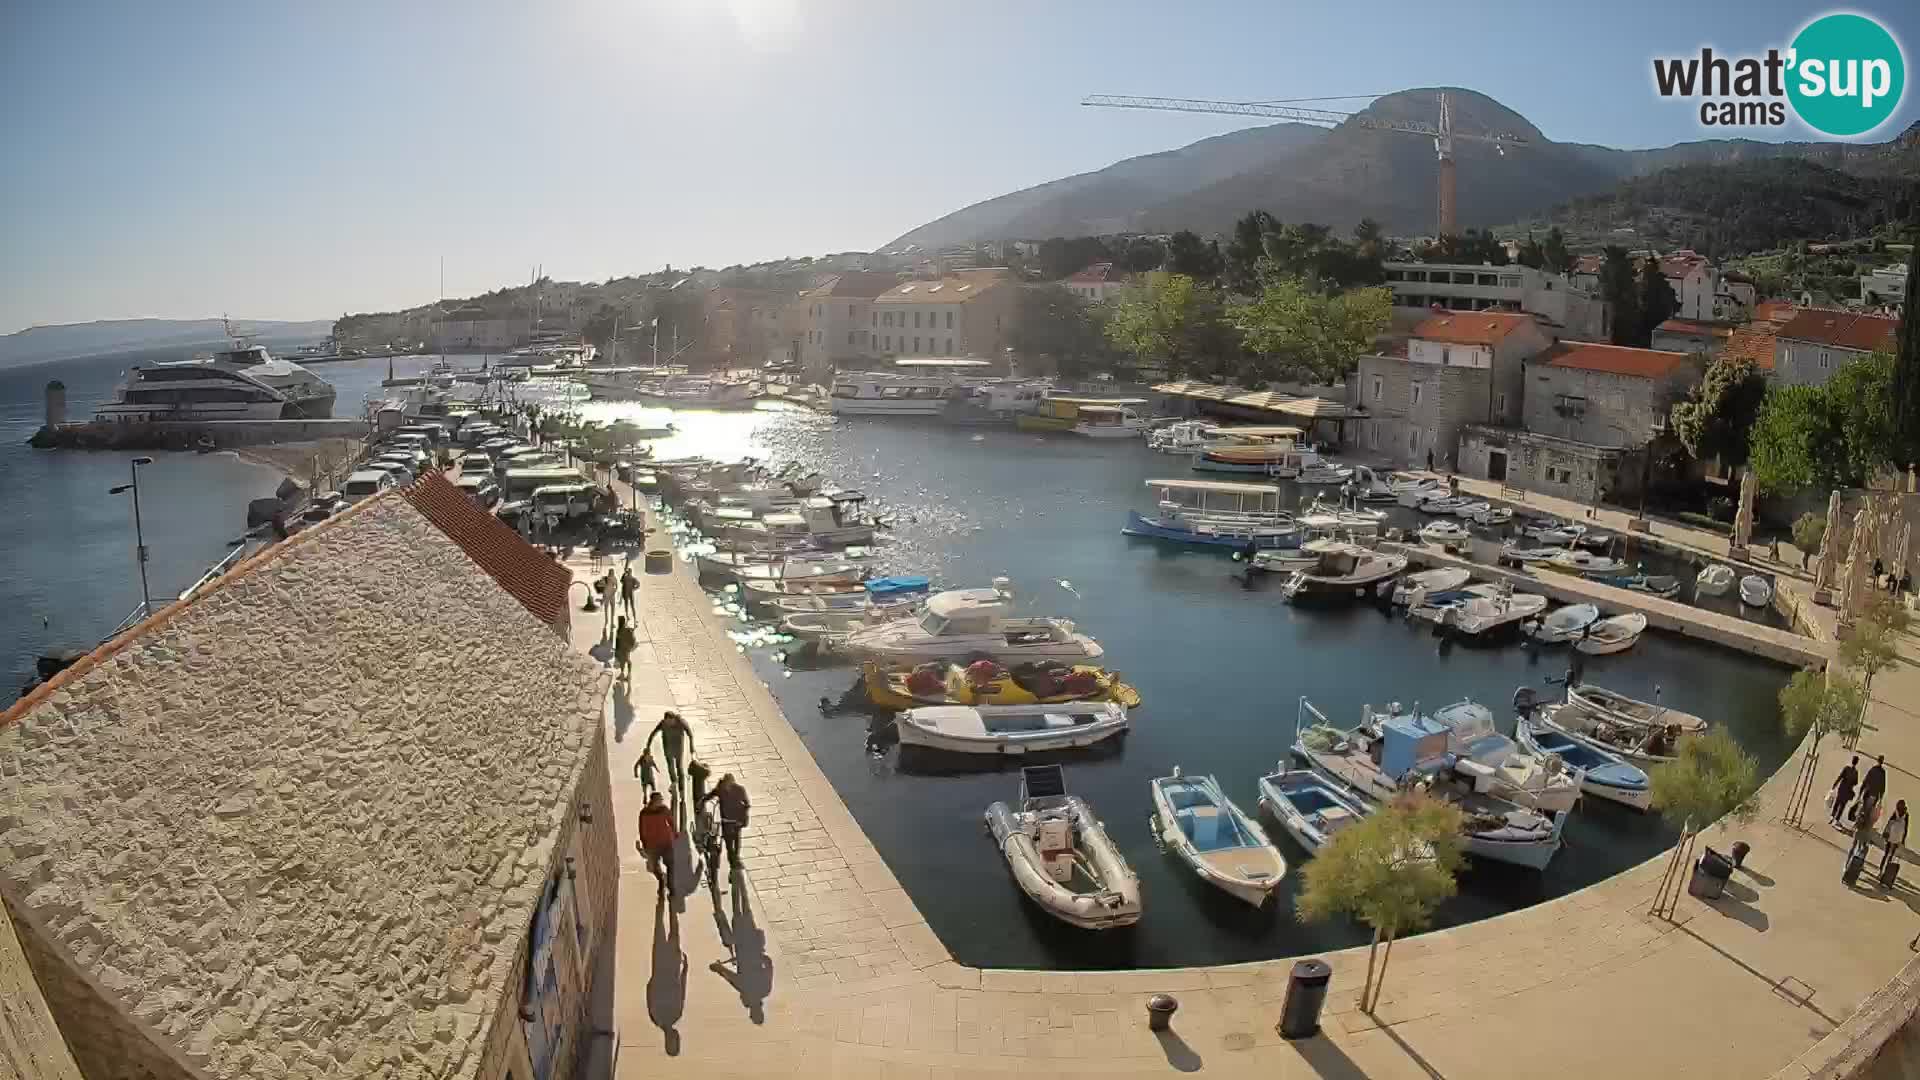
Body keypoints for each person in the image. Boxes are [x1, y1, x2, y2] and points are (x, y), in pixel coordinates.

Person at [702, 773, 751, 869]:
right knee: (731, 843)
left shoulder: (733, 789)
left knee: (734, 841)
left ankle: (734, 861)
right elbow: (747, 804)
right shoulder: (725, 789)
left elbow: (747, 804)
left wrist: (703, 800)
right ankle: (734, 861)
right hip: (729, 821)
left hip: (734, 821)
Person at [647, 711, 695, 797]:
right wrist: (648, 746)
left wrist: (692, 747)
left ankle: (681, 789)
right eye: (666, 721)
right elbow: (653, 734)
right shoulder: (663, 724)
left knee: (679, 767)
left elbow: (690, 734)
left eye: (669, 721)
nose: (668, 723)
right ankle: (673, 782)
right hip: (667, 747)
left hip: (678, 748)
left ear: (673, 719)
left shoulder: (681, 722)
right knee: (670, 766)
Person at [637, 792, 677, 895]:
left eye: (661, 800)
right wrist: (644, 843)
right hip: (652, 844)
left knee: (670, 865)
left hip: (666, 842)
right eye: (659, 800)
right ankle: (661, 881)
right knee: (654, 867)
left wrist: (675, 833)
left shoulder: (664, 810)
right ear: (653, 801)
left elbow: (671, 822)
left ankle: (671, 887)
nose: (661, 802)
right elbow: (642, 829)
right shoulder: (644, 813)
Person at [1832, 756, 1861, 827]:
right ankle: (1836, 820)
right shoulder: (1856, 772)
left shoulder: (1846, 768)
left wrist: (1834, 785)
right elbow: (1856, 783)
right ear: (1857, 763)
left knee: (1837, 802)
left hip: (1841, 788)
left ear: (1852, 761)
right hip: (1848, 791)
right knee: (1842, 806)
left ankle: (1832, 816)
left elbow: (1840, 777)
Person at [1883, 800, 1910, 877]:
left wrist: (1885, 833)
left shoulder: (1898, 813)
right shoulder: (1904, 814)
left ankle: (1884, 870)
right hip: (1897, 837)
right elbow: (1905, 828)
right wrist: (1903, 840)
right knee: (1889, 855)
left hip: (1894, 836)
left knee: (1887, 854)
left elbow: (1889, 824)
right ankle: (1884, 871)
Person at [615, 616, 636, 680]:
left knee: (623, 661)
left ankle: (623, 674)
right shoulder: (628, 630)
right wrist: (631, 646)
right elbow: (633, 639)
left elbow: (617, 641)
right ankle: (628, 675)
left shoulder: (619, 630)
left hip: (621, 648)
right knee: (627, 660)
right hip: (627, 648)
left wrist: (616, 652)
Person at [599, 570, 617, 637]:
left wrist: (603, 584)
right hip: (610, 595)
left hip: (608, 595)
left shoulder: (608, 578)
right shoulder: (608, 578)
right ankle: (609, 622)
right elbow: (616, 587)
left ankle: (608, 622)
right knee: (610, 609)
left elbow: (616, 587)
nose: (612, 574)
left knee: (609, 609)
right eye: (611, 572)